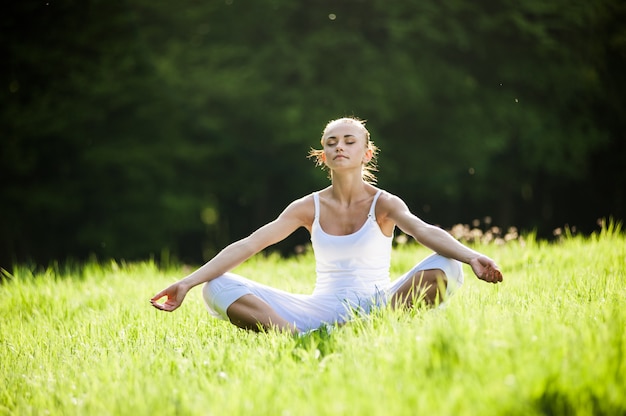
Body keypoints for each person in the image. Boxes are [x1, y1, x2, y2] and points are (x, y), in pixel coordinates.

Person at [150, 117, 503, 333]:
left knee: (447, 265)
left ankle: (364, 330)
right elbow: (249, 245)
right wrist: (188, 282)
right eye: (331, 143)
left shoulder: (384, 203)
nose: (339, 147)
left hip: (379, 304)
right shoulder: (308, 207)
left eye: (350, 141)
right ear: (323, 156)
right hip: (315, 312)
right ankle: (301, 337)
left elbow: (424, 230)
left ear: (366, 153)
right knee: (216, 287)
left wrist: (472, 256)